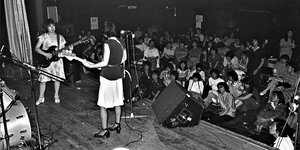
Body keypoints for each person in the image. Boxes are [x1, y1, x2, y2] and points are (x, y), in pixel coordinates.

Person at [82, 21, 127, 138]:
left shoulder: (107, 43)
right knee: (118, 101)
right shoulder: (121, 41)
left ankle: (104, 130)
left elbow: (105, 62)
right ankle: (117, 124)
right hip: (118, 74)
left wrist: (90, 65)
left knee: (102, 104)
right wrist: (115, 63)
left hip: (107, 75)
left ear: (105, 32)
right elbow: (124, 58)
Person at [35, 19, 72, 105]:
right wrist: (45, 54)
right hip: (46, 61)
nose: (52, 28)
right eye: (50, 26)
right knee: (43, 80)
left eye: (53, 26)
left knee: (57, 79)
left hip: (57, 62)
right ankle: (41, 97)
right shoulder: (43, 37)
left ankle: (56, 95)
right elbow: (36, 48)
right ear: (46, 27)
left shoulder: (60, 37)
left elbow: (62, 51)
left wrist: (69, 50)